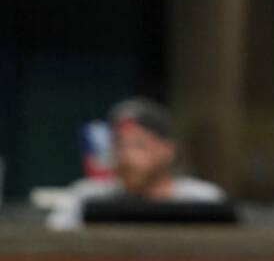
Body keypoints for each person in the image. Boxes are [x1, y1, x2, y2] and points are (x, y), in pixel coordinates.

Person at [45, 97, 227, 230]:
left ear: (167, 151)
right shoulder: (87, 195)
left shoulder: (202, 198)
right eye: (119, 145)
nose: (125, 155)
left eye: (138, 145)